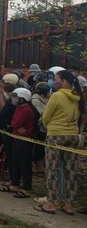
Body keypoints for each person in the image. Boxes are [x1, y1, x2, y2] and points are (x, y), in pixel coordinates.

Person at [35, 70, 83, 215]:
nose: (53, 81)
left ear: (63, 82)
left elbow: (46, 116)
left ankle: (52, 202)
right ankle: (69, 204)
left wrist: (51, 126)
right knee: (71, 170)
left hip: (56, 134)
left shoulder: (56, 96)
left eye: (55, 79)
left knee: (52, 170)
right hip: (73, 135)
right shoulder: (77, 96)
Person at [1, 88, 36, 199]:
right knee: (15, 162)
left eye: (16, 97)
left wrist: (16, 126)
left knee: (24, 164)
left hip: (24, 140)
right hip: (17, 138)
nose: (14, 99)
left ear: (22, 98)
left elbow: (15, 124)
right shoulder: (18, 108)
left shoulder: (26, 110)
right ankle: (14, 184)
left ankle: (26, 189)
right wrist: (16, 126)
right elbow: (14, 122)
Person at [31, 82, 50, 177]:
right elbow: (39, 114)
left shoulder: (44, 99)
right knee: (37, 148)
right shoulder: (35, 100)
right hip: (39, 127)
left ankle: (41, 165)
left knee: (41, 148)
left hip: (45, 127)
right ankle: (36, 166)